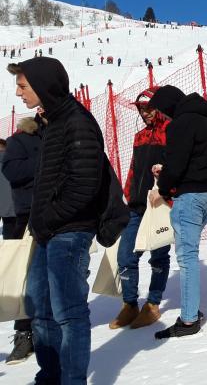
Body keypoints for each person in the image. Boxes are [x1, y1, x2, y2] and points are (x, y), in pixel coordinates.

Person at [10, 57, 106, 384]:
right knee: (40, 313)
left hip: (69, 233)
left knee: (69, 315)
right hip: (46, 233)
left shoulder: (76, 121)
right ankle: (48, 377)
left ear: (42, 85)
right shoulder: (51, 123)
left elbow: (85, 184)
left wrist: (49, 220)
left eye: (23, 85)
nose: (18, 92)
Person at [148, 84, 207, 339]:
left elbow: (178, 162)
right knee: (189, 254)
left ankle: (189, 319)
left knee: (187, 257)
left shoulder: (181, 123)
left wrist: (163, 185)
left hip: (191, 197)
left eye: (163, 111)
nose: (165, 117)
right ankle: (191, 312)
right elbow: (196, 161)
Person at [108, 87, 172, 330]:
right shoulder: (140, 137)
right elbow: (135, 168)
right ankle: (130, 304)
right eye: (141, 110)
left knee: (158, 256)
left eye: (149, 109)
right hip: (136, 205)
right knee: (125, 257)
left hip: (159, 204)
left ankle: (153, 303)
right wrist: (128, 192)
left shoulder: (171, 132)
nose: (145, 114)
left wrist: (167, 193)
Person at [2, 116, 42, 365]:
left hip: (59, 214)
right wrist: (47, 161)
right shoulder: (20, 140)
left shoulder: (61, 132)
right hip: (24, 217)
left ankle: (50, 327)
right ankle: (24, 332)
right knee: (22, 275)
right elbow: (12, 171)